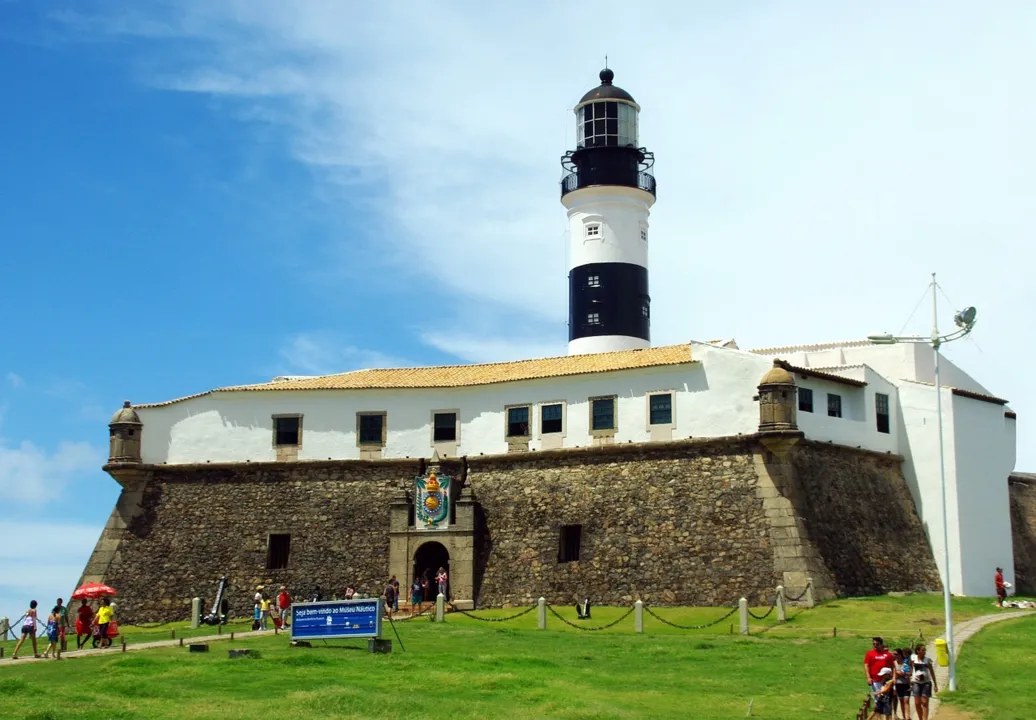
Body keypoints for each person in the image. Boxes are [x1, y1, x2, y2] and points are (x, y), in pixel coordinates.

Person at [910, 643, 938, 720]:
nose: (924, 651)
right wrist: (911, 677)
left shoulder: (927, 660)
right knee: (917, 703)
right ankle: (920, 718)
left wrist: (935, 684)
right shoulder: (913, 659)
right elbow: (910, 668)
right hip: (916, 683)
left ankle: (925, 718)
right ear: (918, 651)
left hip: (926, 683)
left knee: (925, 702)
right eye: (922, 650)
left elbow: (932, 672)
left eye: (925, 650)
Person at [892, 648, 912, 720]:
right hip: (898, 684)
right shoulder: (893, 663)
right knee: (901, 701)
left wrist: (904, 673)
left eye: (896, 654)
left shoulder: (906, 663)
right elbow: (892, 674)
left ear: (900, 655)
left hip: (906, 684)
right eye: (894, 654)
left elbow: (910, 672)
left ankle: (907, 717)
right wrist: (897, 673)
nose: (895, 655)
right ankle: (904, 716)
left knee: (906, 700)